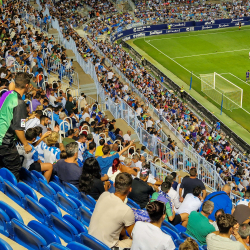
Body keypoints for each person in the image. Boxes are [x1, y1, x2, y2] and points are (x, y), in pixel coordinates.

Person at [88, 173, 135, 248]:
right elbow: (134, 237)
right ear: (130, 189)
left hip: (90, 240)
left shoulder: (103, 195)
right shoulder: (127, 211)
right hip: (106, 247)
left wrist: (125, 237)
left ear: (114, 185)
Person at [0, 72, 32, 181]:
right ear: (27, 86)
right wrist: (25, 144)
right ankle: (12, 194)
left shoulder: (7, 94)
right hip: (5, 142)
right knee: (14, 168)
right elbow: (19, 128)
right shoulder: (20, 103)